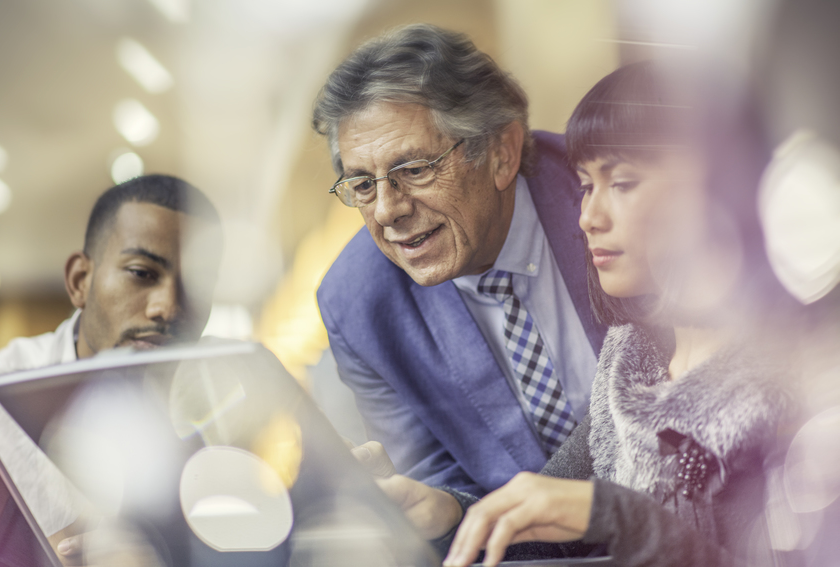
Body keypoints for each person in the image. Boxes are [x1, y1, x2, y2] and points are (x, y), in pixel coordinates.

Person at [375, 61, 802, 567]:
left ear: (715, 188)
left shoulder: (792, 380)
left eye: (621, 184)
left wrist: (618, 516)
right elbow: (544, 527)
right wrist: (447, 514)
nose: (588, 218)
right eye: (585, 186)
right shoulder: (631, 363)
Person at [312, 24, 606, 497]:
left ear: (501, 153)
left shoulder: (602, 195)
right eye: (363, 184)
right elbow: (436, 485)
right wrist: (445, 508)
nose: (387, 210)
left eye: (414, 169)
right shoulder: (358, 306)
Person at [0, 174, 223, 565]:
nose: (167, 308)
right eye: (141, 273)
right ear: (80, 281)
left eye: (195, 285)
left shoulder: (229, 398)